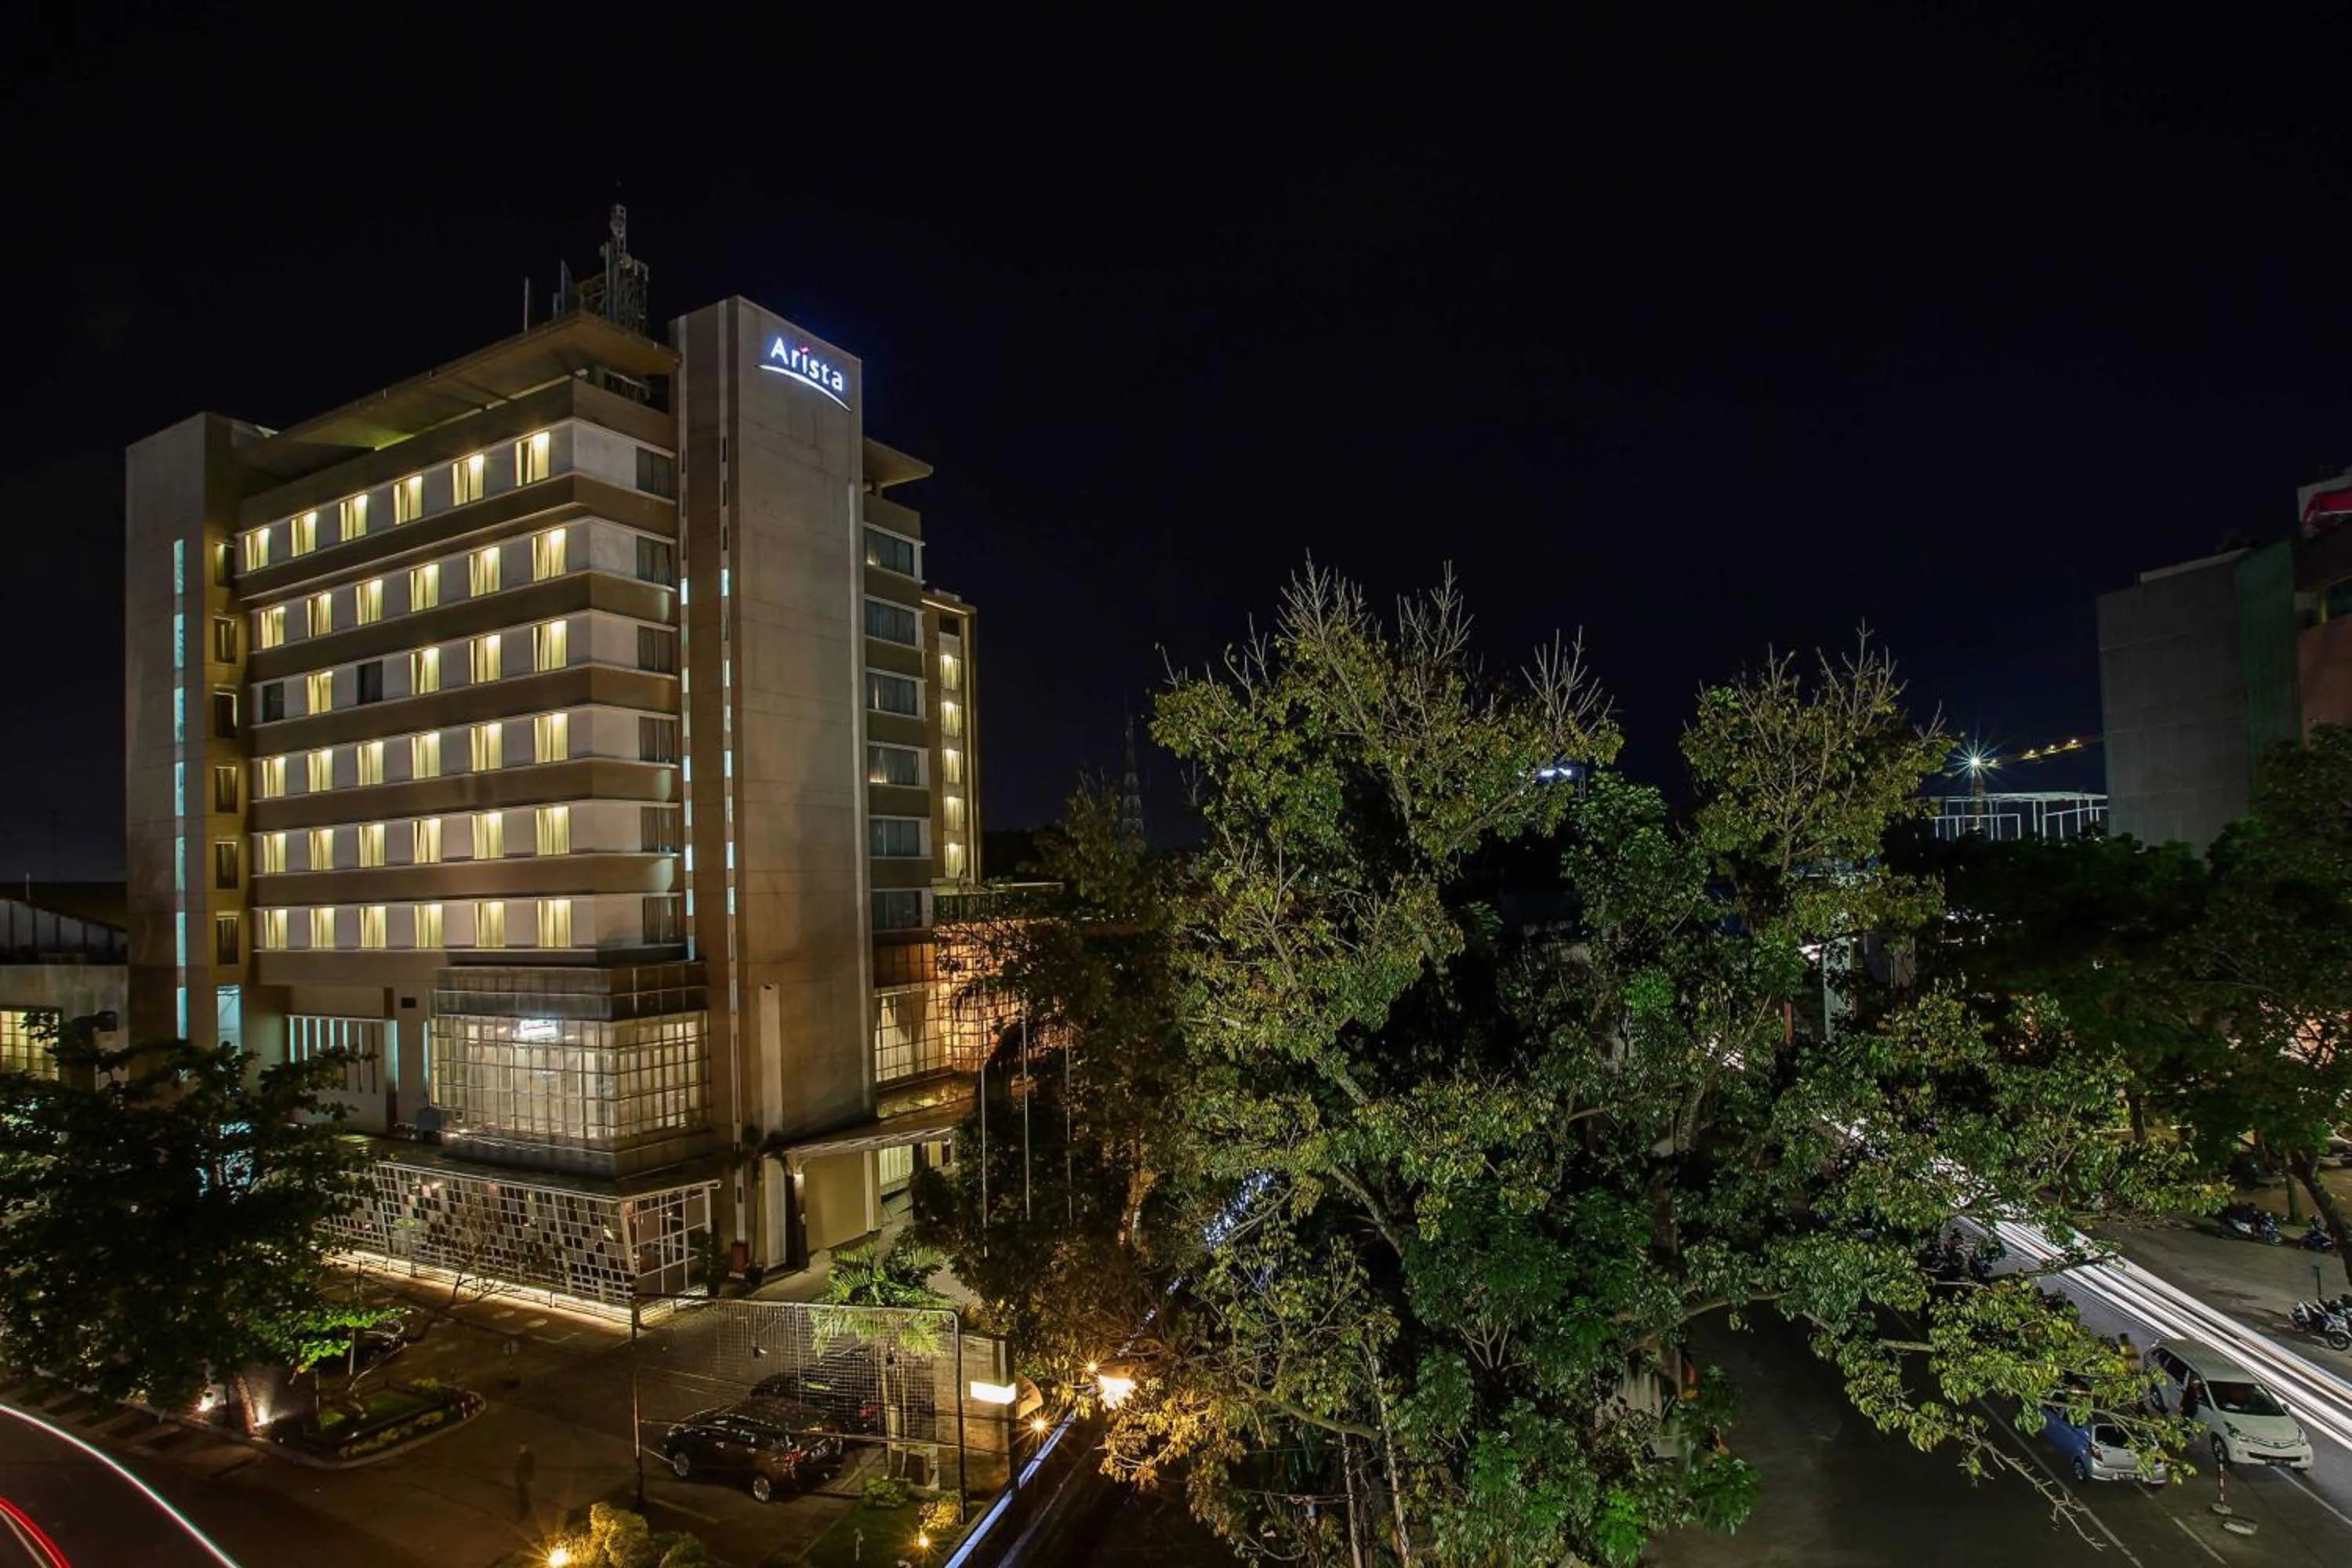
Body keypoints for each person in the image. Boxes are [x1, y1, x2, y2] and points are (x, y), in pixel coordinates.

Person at [514, 1442, 535, 1519]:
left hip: (524, 1479)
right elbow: (517, 1467)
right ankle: (525, 1507)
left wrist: (530, 1479)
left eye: (522, 1447)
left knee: (524, 1494)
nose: (520, 1448)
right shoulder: (519, 1455)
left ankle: (525, 1510)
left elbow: (531, 1468)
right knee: (520, 1494)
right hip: (519, 1479)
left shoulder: (528, 1456)